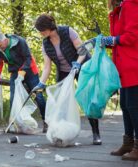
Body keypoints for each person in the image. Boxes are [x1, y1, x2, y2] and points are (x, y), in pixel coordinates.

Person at [33, 13, 102, 145]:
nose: (40, 33)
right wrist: (41, 83)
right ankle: (61, 133)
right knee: (60, 102)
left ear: (48, 27)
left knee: (87, 99)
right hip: (64, 72)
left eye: (41, 30)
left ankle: (96, 133)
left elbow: (82, 50)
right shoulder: (45, 44)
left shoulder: (68, 31)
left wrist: (77, 64)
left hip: (81, 66)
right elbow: (47, 67)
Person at [96, 0, 138, 161]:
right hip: (126, 65)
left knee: (132, 106)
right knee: (125, 105)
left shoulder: (131, 6)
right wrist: (106, 41)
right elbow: (121, 39)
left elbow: (131, 36)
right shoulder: (121, 9)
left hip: (136, 64)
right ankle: (128, 143)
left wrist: (111, 40)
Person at [0, 31, 47, 133]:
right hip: (15, 72)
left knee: (39, 96)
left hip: (30, 70)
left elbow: (28, 58)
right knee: (13, 97)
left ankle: (46, 121)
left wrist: (23, 72)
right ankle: (14, 124)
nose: (0, 48)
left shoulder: (20, 41)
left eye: (1, 46)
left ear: (5, 40)